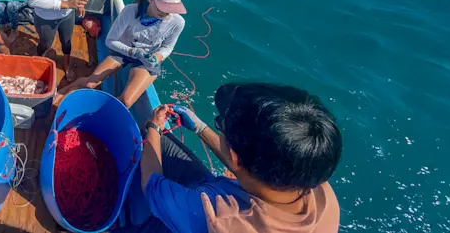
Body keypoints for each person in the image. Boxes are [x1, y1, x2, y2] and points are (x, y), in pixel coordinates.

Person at [130, 83, 342, 233]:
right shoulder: (319, 189)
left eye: (219, 124)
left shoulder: (217, 217)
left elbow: (152, 186)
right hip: (224, 191)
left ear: (235, 158)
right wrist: (201, 128)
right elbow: (246, 164)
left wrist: (154, 127)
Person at [58, 0, 187, 108]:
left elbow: (167, 47)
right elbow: (110, 41)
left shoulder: (178, 22)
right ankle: (61, 93)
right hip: (124, 51)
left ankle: (99, 117)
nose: (167, 13)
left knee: (126, 101)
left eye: (172, 8)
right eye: (163, 7)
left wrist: (157, 57)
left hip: (147, 60)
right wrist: (132, 51)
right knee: (90, 83)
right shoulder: (130, 11)